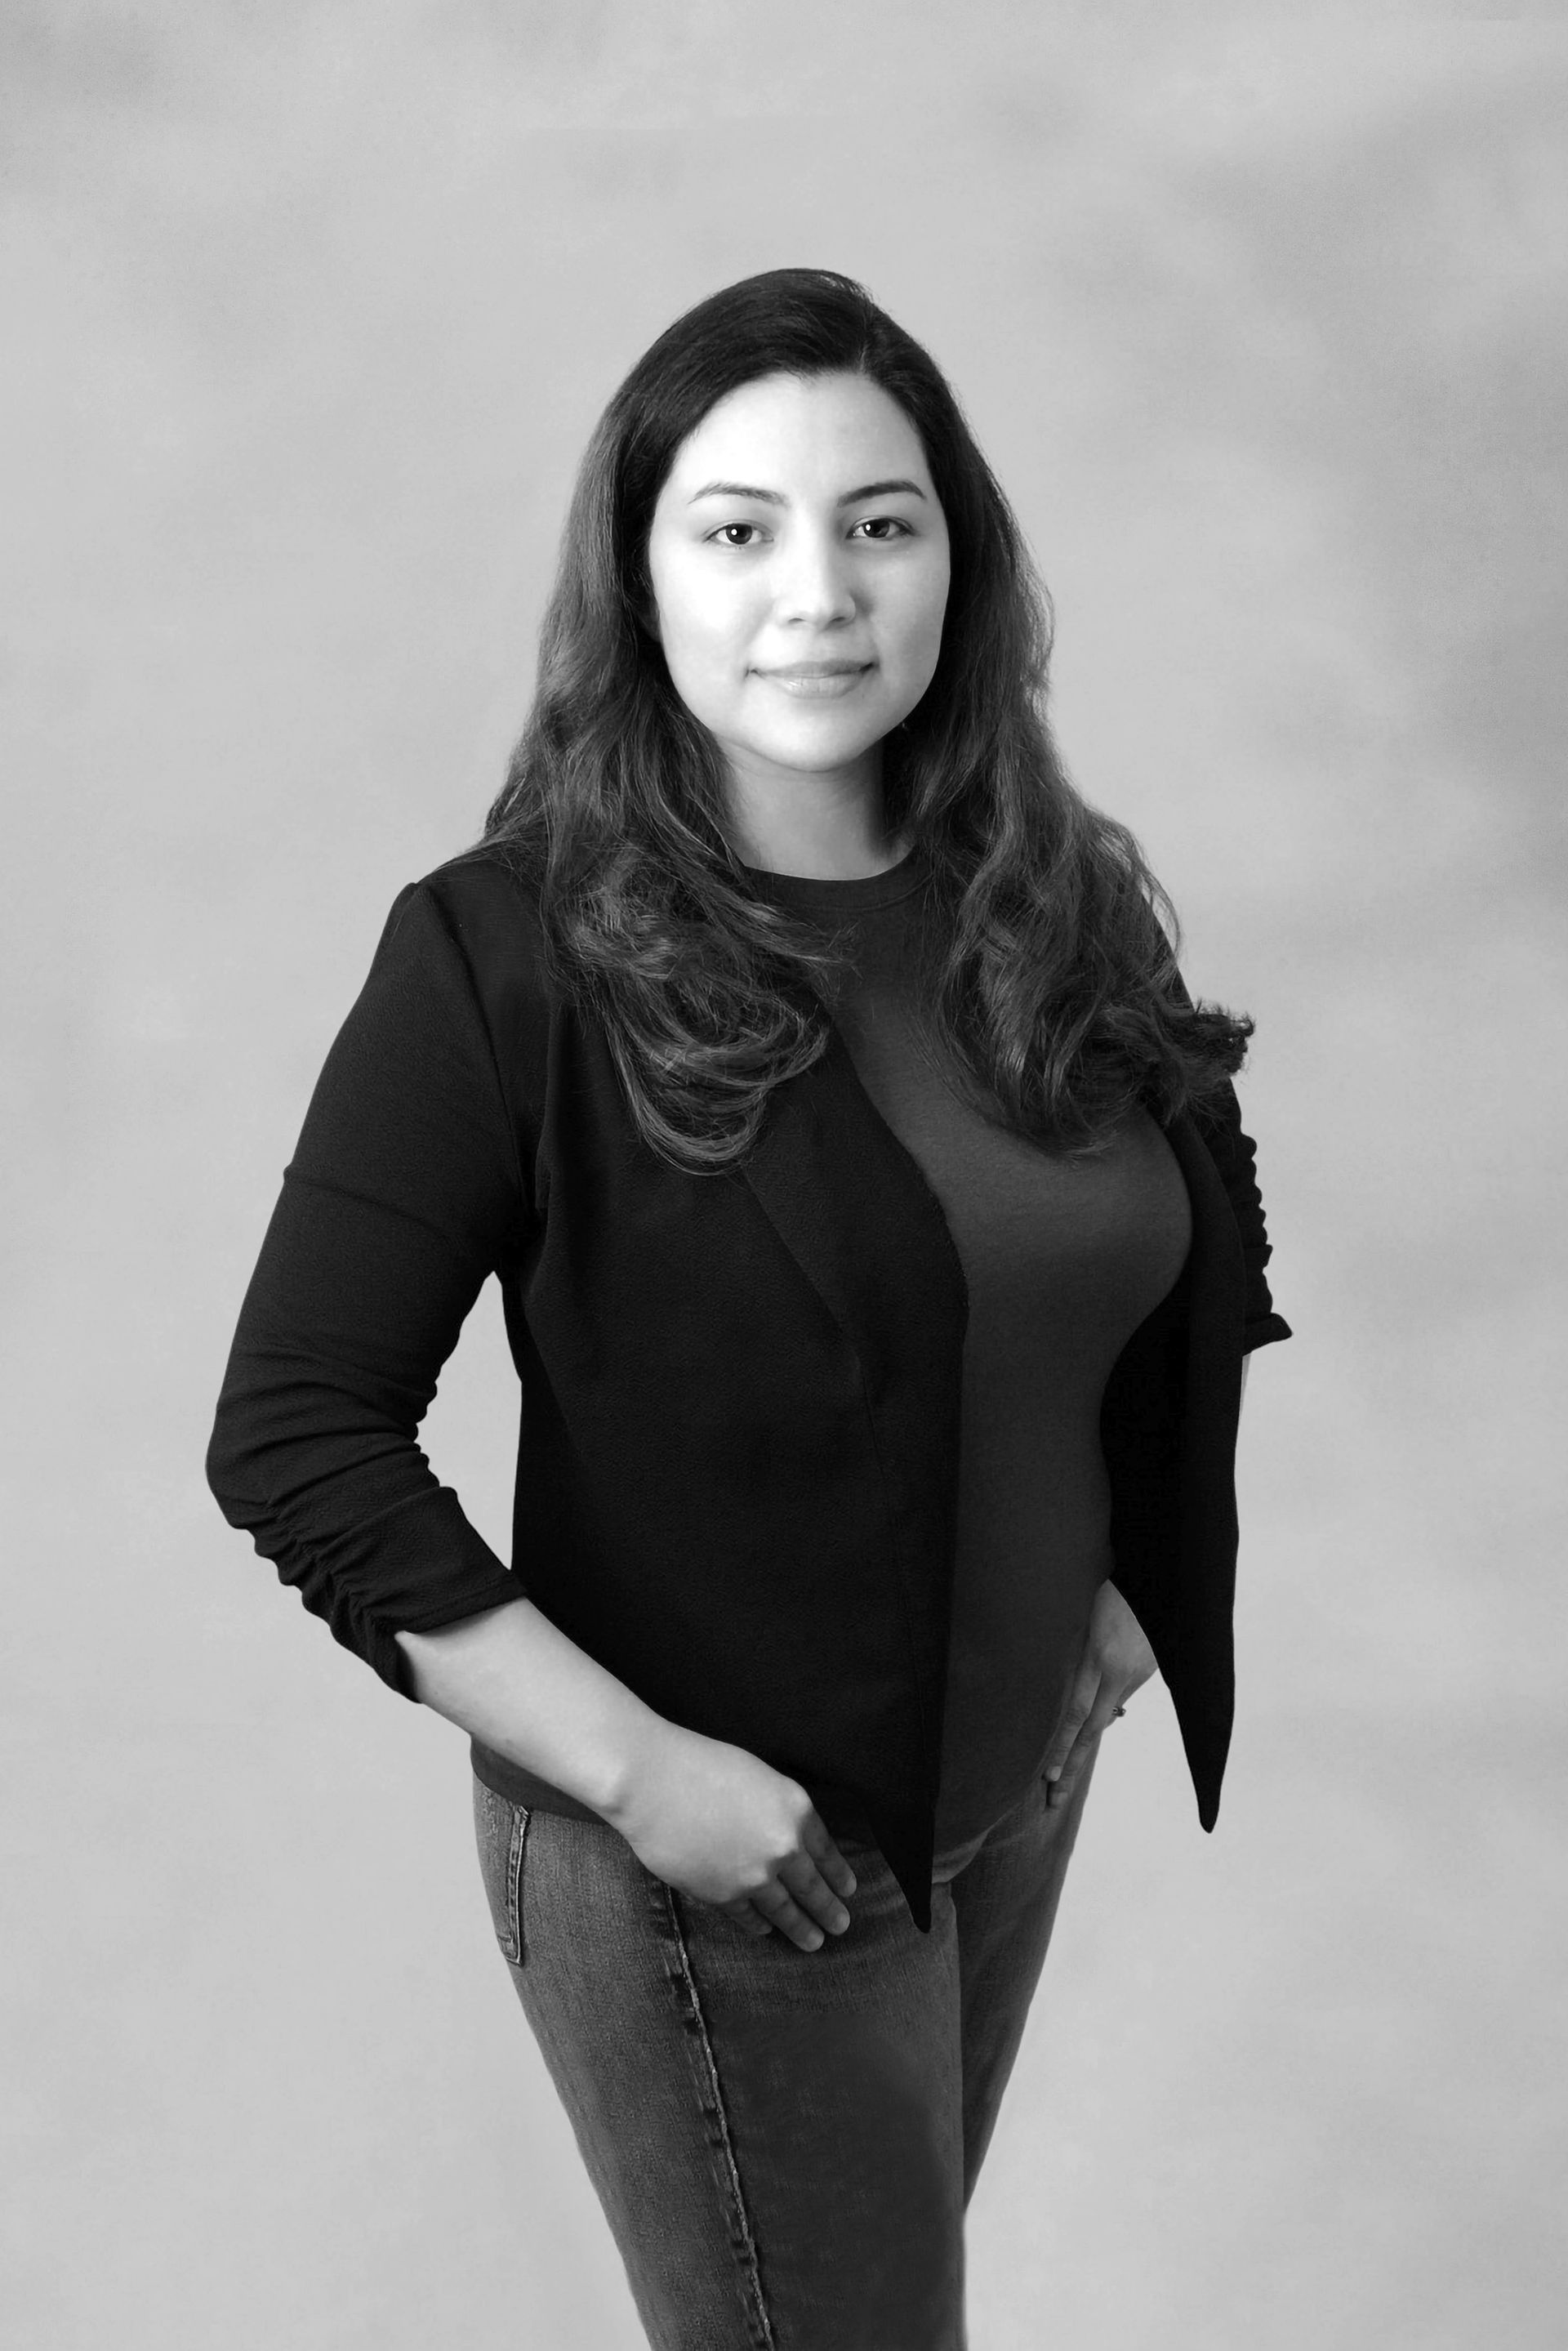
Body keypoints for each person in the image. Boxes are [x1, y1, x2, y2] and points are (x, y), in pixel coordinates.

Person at [207, 266, 1291, 2351]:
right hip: (719, 1865)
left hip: (995, 1811)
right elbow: (297, 1428)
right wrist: (644, 1779)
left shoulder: (1043, 891)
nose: (821, 589)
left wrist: (1130, 1608)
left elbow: (1192, 1258)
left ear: (957, 562)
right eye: (738, 528)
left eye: (881, 522)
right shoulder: (503, 956)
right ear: (640, 576)